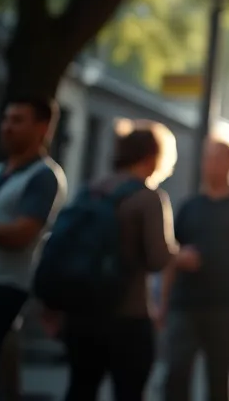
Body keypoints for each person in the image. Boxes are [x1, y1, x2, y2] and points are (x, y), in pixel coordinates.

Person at [63, 120, 178, 401]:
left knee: (81, 388)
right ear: (153, 156)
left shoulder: (92, 190)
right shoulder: (148, 198)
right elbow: (158, 259)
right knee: (129, 392)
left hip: (82, 313)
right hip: (129, 315)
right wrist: (177, 253)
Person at [161, 138, 229, 401]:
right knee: (176, 372)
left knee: (219, 377)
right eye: (207, 158)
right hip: (185, 304)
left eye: (217, 158)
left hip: (226, 305)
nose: (210, 165)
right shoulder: (190, 206)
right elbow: (169, 255)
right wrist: (162, 301)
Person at [0, 97, 67, 401]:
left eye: (18, 120)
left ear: (42, 127)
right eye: (6, 119)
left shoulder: (43, 176)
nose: (7, 127)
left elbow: (23, 233)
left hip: (4, 284)